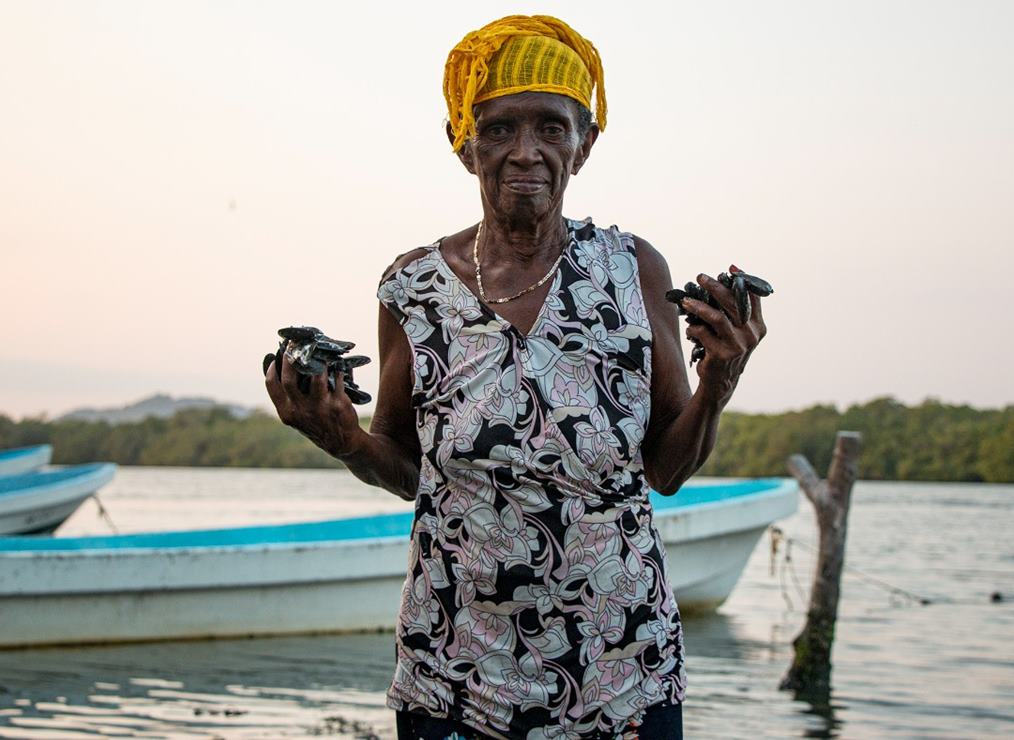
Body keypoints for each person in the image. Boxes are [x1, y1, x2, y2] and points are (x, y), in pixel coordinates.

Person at [265, 15, 767, 740]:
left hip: (620, 668)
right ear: (462, 143)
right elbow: (410, 471)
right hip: (454, 673)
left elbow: (666, 469)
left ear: (584, 144)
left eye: (551, 128)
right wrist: (343, 440)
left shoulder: (632, 271)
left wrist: (719, 382)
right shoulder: (413, 288)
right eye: (498, 129)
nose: (524, 151)